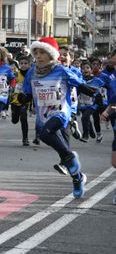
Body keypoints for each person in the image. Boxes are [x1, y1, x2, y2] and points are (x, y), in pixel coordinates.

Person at [19, 37, 100, 199]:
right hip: (43, 114)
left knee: (45, 134)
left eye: (43, 52)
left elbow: (79, 84)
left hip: (61, 111)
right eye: (36, 53)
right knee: (60, 148)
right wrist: (23, 98)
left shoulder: (61, 70)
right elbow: (27, 92)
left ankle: (70, 158)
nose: (38, 56)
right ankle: (77, 177)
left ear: (51, 54)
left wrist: (92, 92)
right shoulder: (32, 73)